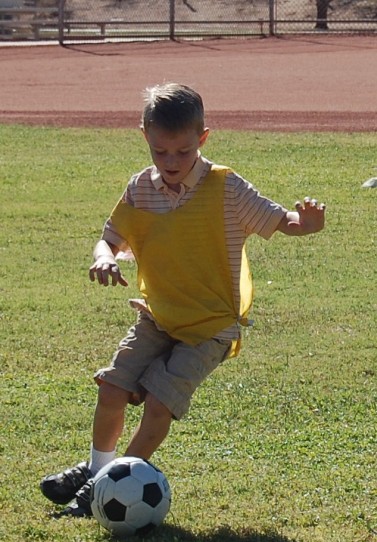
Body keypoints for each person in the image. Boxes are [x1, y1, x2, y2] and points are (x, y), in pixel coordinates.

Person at [40, 83, 326, 517]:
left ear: (203, 139)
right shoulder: (140, 188)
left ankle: (99, 488)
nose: (171, 162)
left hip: (210, 327)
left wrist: (306, 223)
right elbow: (110, 238)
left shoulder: (226, 187)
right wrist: (103, 258)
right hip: (158, 316)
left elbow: (281, 221)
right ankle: (98, 470)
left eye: (183, 152)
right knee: (113, 387)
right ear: (145, 138)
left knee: (159, 402)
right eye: (160, 152)